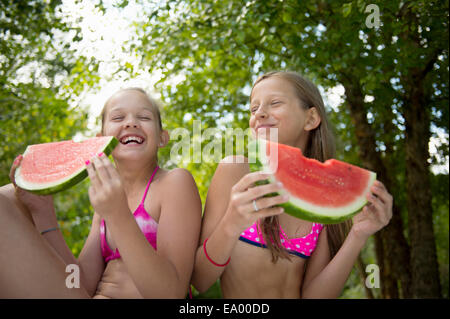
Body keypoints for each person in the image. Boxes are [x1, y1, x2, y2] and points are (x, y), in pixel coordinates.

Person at [191, 71, 393, 298]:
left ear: (311, 119)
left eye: (274, 103)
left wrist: (358, 234)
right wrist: (231, 224)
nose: (259, 114)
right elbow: (200, 280)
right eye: (253, 108)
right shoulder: (235, 171)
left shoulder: (326, 195)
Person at [0, 88, 202, 298]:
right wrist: (44, 215)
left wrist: (118, 214)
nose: (131, 123)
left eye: (144, 117)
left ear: (162, 138)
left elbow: (171, 293)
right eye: (118, 117)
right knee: (9, 196)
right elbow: (80, 284)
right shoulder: (107, 202)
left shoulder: (174, 182)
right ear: (101, 139)